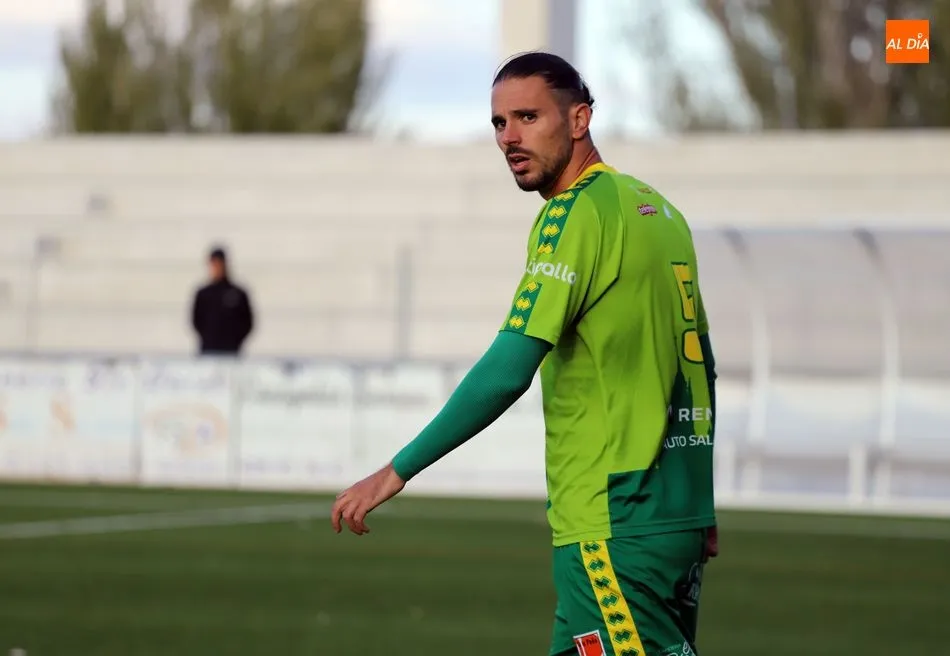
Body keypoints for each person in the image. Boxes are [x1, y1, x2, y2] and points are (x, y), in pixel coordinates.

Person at [330, 51, 719, 656]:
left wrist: (394, 471)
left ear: (579, 119)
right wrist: (700, 501)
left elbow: (509, 368)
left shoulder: (574, 213)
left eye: (528, 117)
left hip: (613, 522)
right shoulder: (660, 211)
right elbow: (696, 364)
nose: (508, 137)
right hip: (674, 520)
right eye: (497, 123)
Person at [190, 246, 254, 356]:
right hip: (208, 350)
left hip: (231, 351)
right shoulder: (204, 294)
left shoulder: (237, 293)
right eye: (214, 264)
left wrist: (235, 340)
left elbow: (247, 322)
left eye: (219, 264)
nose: (216, 268)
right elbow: (196, 321)